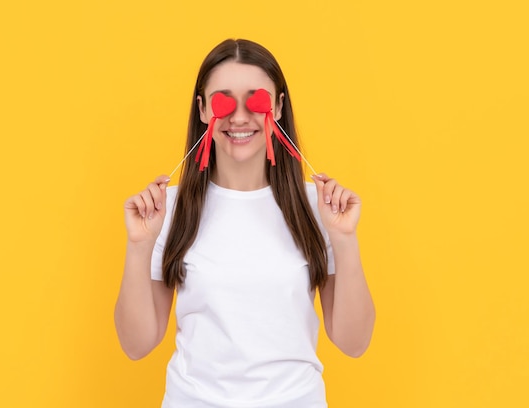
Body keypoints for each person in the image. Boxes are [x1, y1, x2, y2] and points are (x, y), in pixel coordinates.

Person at [115, 38, 375, 408]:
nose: (239, 117)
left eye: (256, 101)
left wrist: (345, 239)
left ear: (280, 107)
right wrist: (139, 245)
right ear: (203, 109)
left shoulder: (319, 209)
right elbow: (136, 345)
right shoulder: (166, 211)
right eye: (223, 101)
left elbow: (354, 342)